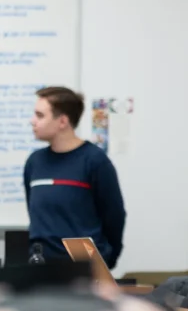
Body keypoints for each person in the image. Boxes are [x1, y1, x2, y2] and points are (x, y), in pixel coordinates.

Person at [24, 87, 126, 269]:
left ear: (62, 121)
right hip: (41, 270)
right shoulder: (35, 162)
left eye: (40, 115)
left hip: (84, 270)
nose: (33, 121)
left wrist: (107, 259)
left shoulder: (94, 161)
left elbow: (114, 215)